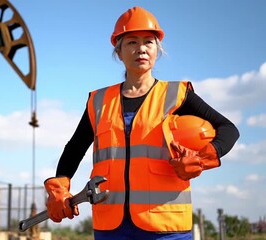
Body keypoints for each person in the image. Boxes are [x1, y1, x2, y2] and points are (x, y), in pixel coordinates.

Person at [43, 6, 240, 240]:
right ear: (119, 51)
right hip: (111, 226)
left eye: (148, 41)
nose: (141, 49)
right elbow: (75, 148)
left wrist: (201, 158)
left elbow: (228, 130)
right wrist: (59, 188)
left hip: (166, 225)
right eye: (132, 42)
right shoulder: (98, 101)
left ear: (158, 49)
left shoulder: (177, 94)